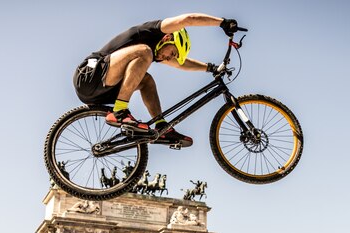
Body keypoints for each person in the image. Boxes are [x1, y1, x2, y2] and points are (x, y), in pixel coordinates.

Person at [73, 13, 239, 148]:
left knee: (147, 81)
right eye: (172, 53)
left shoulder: (159, 51)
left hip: (104, 88)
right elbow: (187, 20)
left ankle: (162, 127)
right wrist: (222, 22)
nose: (169, 58)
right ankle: (119, 112)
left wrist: (210, 67)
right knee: (145, 52)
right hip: (89, 75)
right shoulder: (154, 31)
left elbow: (182, 65)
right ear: (168, 39)